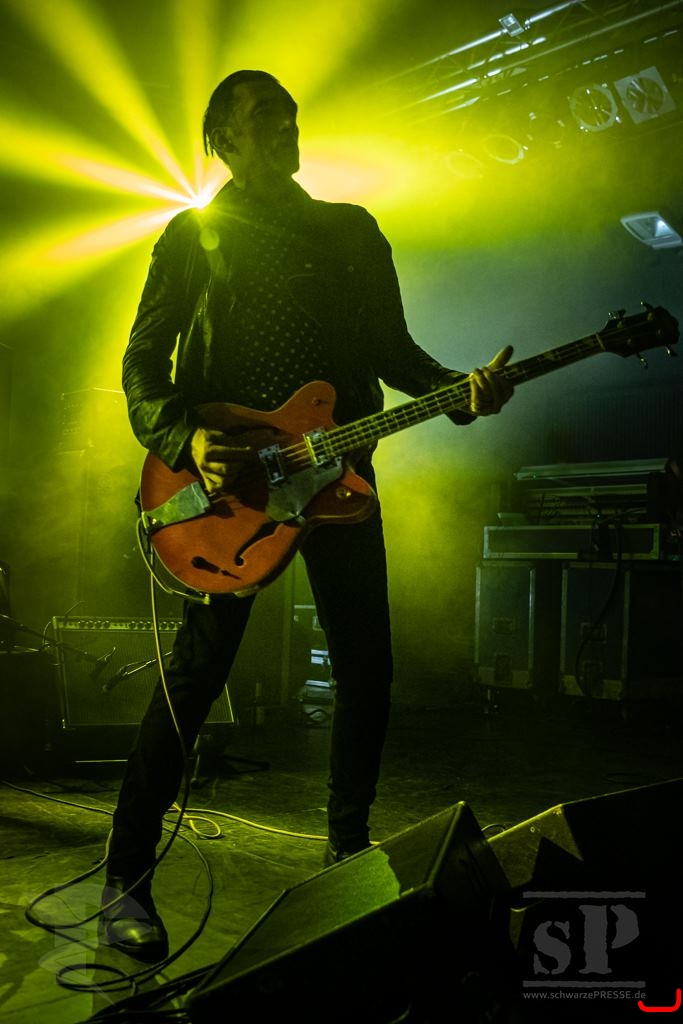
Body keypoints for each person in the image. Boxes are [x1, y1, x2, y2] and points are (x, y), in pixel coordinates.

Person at [101, 69, 514, 962]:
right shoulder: (192, 235)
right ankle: (124, 878)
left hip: (340, 479)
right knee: (196, 677)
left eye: (289, 114)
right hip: (232, 491)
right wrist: (185, 437)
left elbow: (394, 353)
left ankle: (345, 855)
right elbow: (141, 366)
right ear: (222, 140)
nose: (285, 125)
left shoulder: (350, 229)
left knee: (367, 667)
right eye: (263, 117)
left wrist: (461, 390)